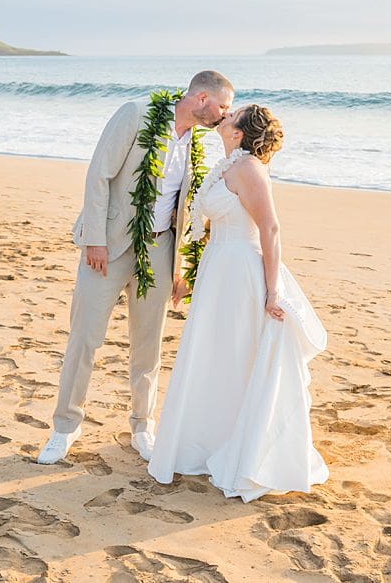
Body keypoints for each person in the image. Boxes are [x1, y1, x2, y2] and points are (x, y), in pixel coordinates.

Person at [36, 71, 235, 465]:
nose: (225, 115)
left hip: (159, 249)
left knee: (149, 344)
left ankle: (143, 426)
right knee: (85, 338)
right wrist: (95, 239)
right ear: (202, 98)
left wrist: (180, 266)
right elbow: (99, 175)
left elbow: (181, 207)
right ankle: (65, 427)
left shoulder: (194, 141)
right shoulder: (136, 113)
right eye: (223, 106)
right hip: (109, 245)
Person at [147, 104, 328, 501]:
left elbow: (270, 229)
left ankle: (242, 448)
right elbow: (213, 227)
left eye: (234, 114)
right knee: (217, 355)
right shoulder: (228, 165)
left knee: (237, 354)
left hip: (242, 271)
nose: (226, 114)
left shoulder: (248, 169)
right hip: (219, 269)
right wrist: (190, 278)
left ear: (239, 132)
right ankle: (210, 441)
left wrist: (272, 290)